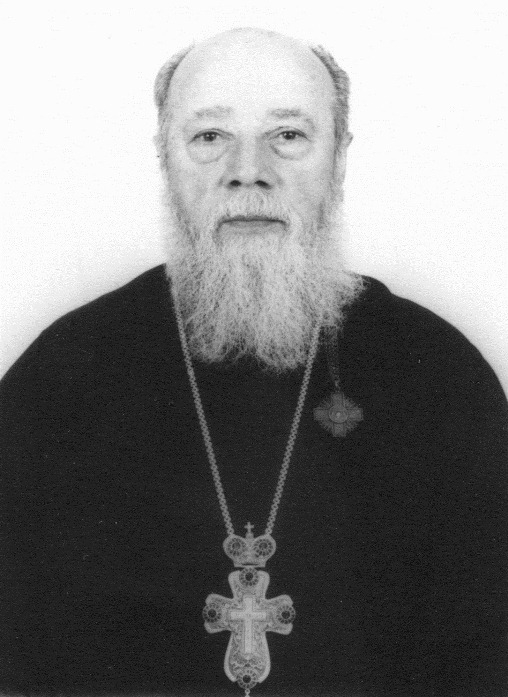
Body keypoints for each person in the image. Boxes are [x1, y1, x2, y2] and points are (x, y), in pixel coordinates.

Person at [1, 28, 506, 697]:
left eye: (288, 136)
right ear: (164, 158)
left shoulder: (438, 376)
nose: (248, 170)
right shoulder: (62, 376)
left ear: (339, 158)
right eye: (209, 137)